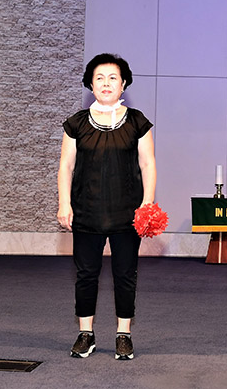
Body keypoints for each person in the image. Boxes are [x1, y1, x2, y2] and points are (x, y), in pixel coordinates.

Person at [57, 53, 156, 361]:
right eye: (99, 78)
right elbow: (66, 166)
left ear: (123, 84)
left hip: (128, 213)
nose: (106, 83)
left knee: (125, 274)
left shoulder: (138, 122)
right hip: (86, 210)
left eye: (113, 77)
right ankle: (85, 334)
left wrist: (147, 204)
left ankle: (123, 334)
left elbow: (148, 164)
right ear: (90, 84)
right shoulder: (76, 123)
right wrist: (64, 203)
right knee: (86, 274)